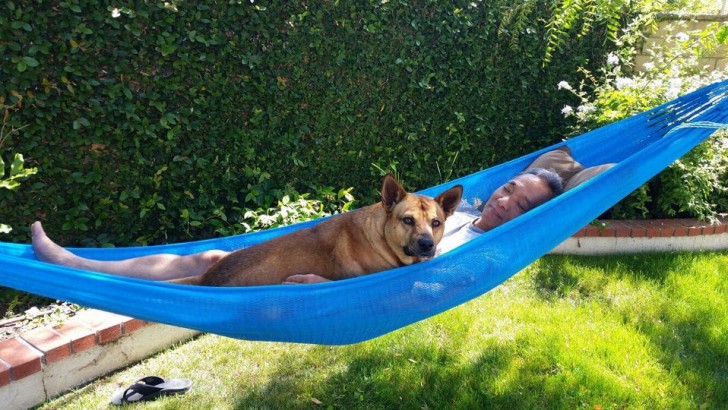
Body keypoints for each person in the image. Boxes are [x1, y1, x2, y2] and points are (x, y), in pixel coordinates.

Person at [30, 168, 563, 284]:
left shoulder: (481, 245)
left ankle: (80, 270)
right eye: (510, 188)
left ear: (526, 220)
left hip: (324, 280)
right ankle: (81, 263)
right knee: (208, 260)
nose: (506, 200)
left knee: (202, 282)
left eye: (520, 205)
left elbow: (426, 278)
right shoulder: (447, 211)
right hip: (311, 251)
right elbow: (413, 216)